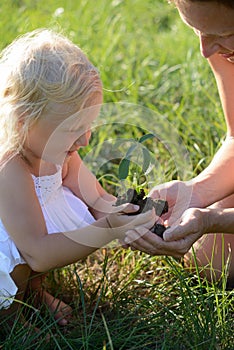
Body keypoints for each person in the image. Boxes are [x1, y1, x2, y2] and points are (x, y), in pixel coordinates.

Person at [0, 28, 156, 326]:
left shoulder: (62, 151)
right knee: (13, 263)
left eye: (89, 125)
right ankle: (12, 316)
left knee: (43, 240)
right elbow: (37, 253)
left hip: (33, 240)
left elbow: (97, 199)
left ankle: (34, 292)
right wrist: (107, 229)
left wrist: (131, 214)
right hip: (22, 245)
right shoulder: (10, 167)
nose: (84, 141)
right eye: (73, 130)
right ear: (23, 123)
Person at [125, 0, 234, 288]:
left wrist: (215, 220)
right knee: (212, 263)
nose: (206, 50)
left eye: (224, 33)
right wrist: (195, 191)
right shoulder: (221, 50)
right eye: (197, 30)